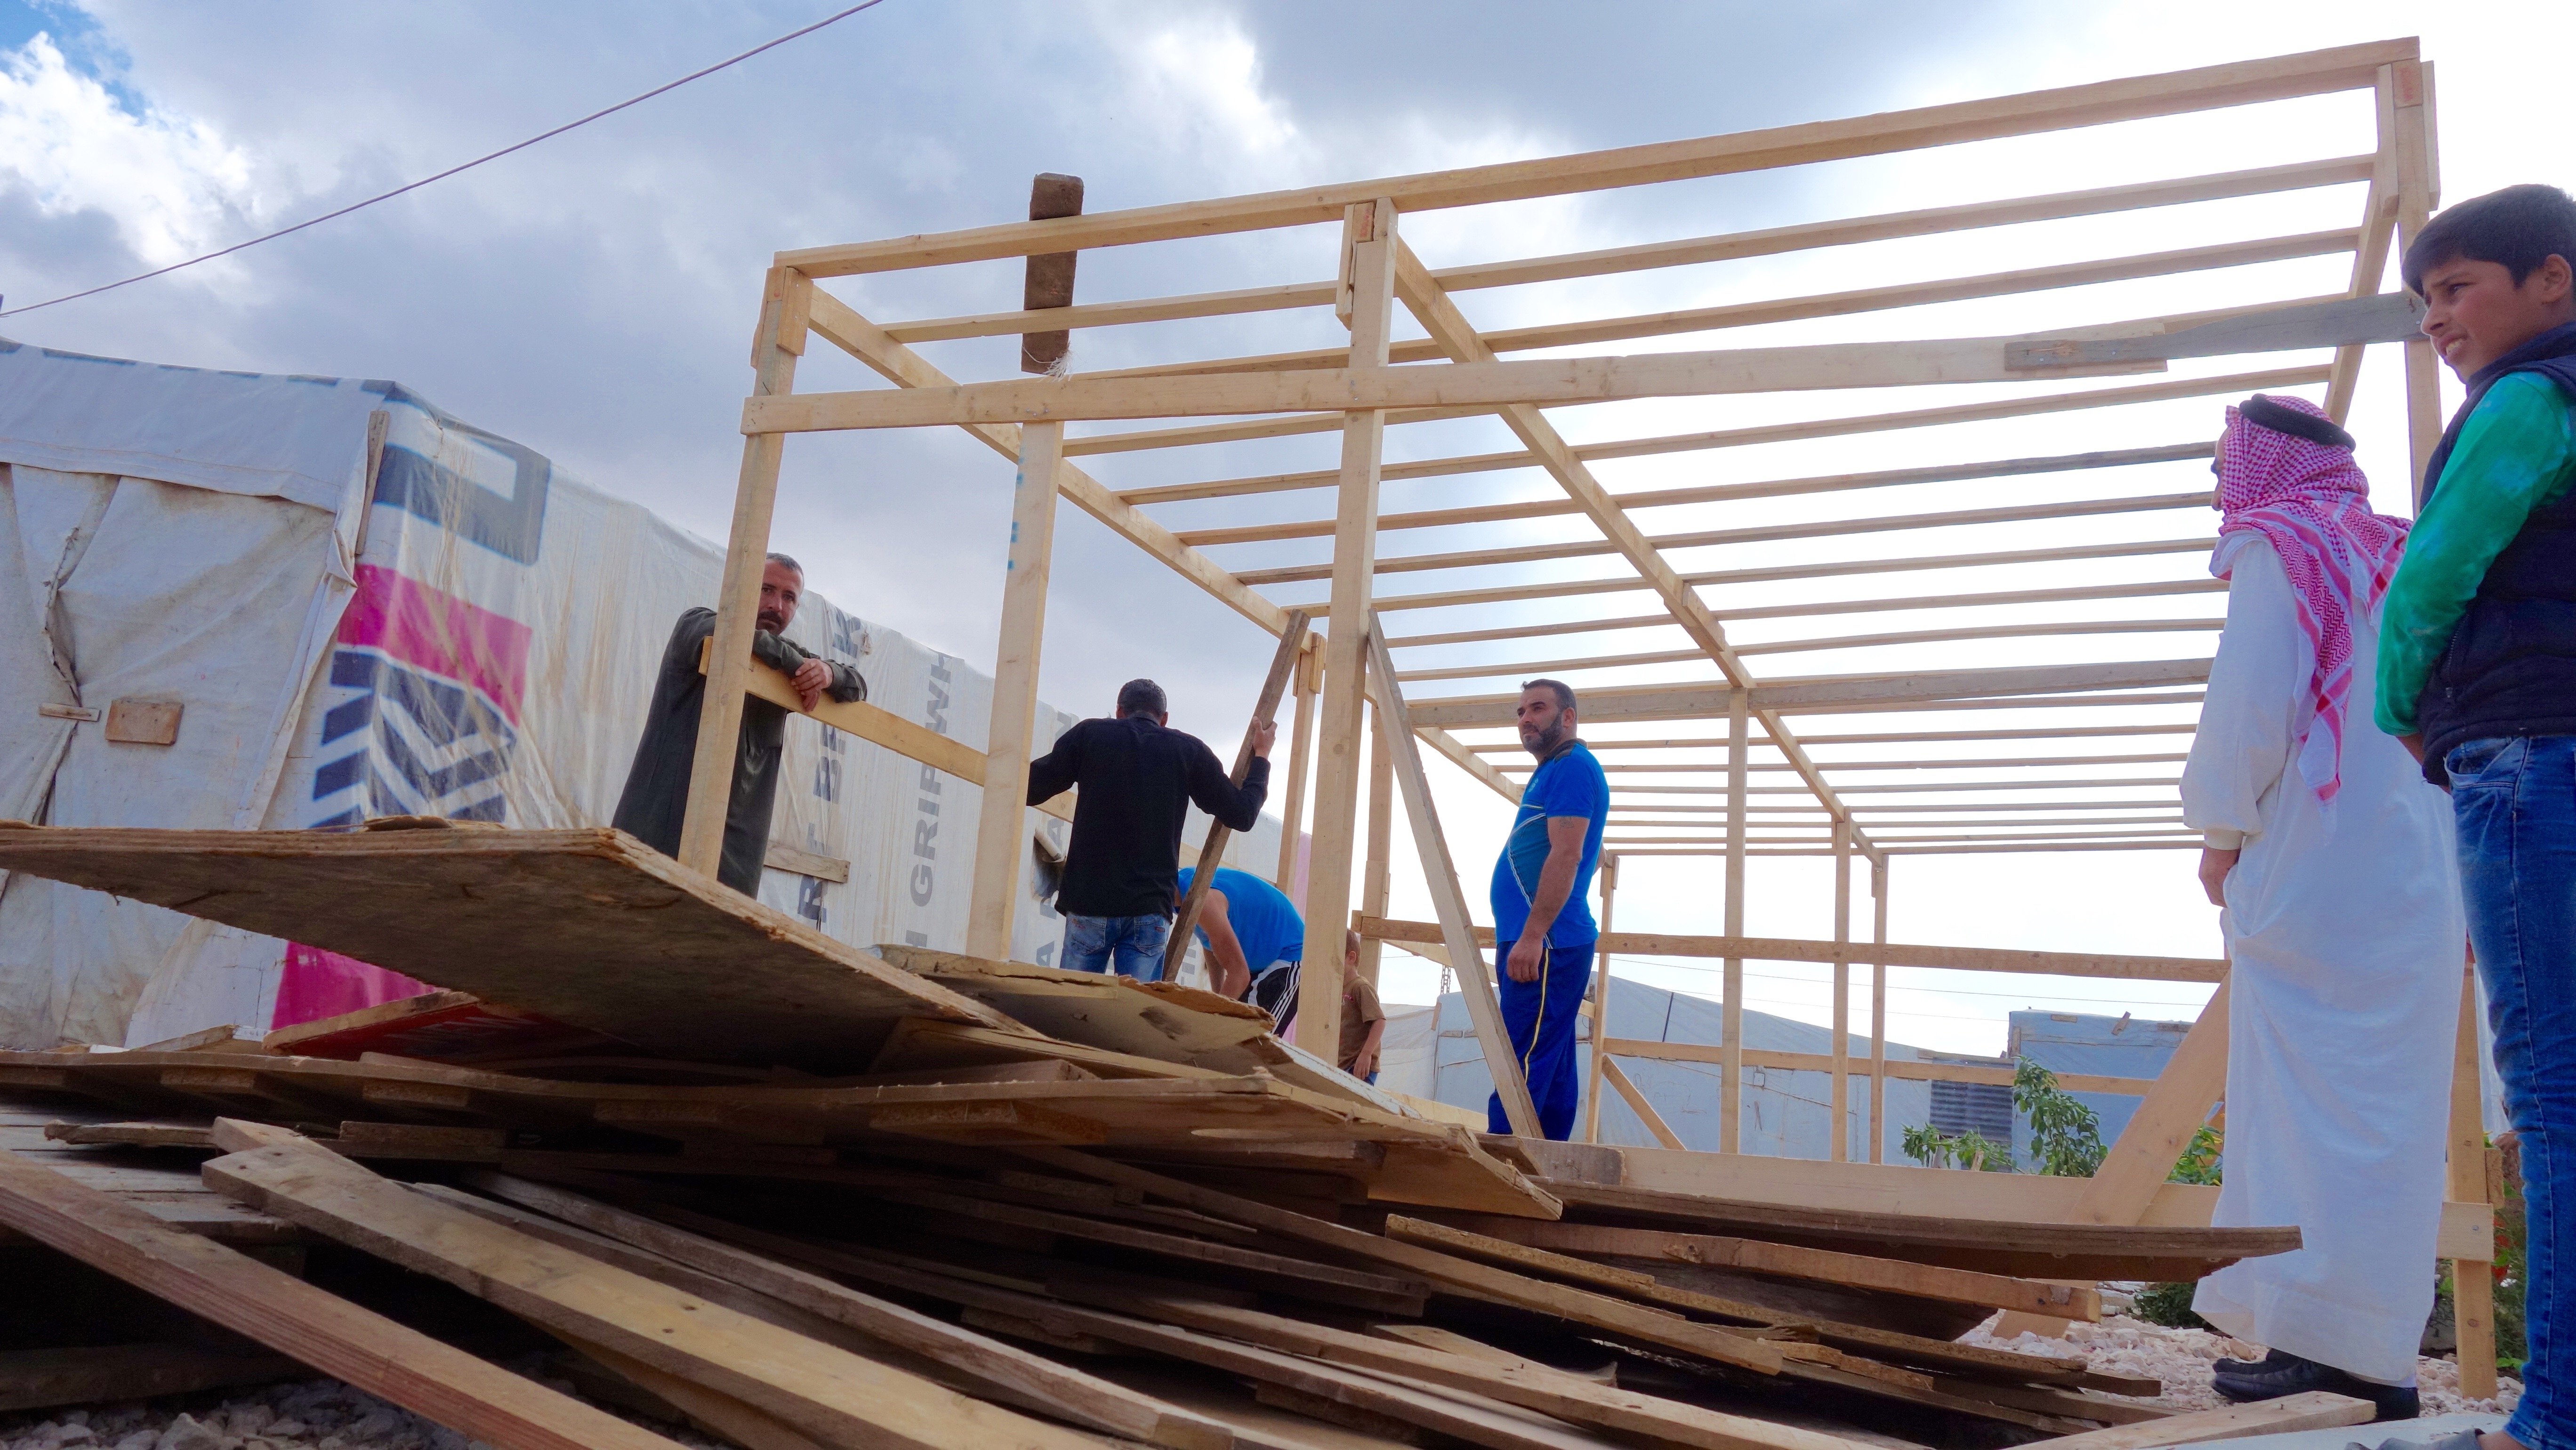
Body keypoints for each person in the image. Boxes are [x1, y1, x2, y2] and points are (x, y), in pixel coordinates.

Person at [2176, 395, 2460, 1422]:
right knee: (2385, 1118)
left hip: (2326, 867)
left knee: (2309, 1109)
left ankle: (2338, 1354)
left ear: (2266, 468)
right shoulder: (2394, 548)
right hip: (2423, 866)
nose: (2217, 487)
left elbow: (2251, 707)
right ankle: (2352, 1354)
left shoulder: (2278, 546)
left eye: (2222, 467)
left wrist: (2220, 834)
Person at [2370, 184, 2576, 1450]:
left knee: (2551, 1090)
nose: (2438, 319)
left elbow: (2433, 568)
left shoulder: (2529, 399)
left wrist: (2404, 704)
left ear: (2551, 279)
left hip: (2523, 751)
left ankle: (2552, 1416)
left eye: (2457, 289)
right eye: (2424, 299)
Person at [612, 553, 864, 896]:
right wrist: (801, 666)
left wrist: (828, 673)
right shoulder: (697, 625)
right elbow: (734, 634)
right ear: (740, 589)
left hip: (733, 869)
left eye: (789, 598)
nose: (777, 605)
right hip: (658, 843)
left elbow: (857, 685)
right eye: (766, 590)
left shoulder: (785, 666)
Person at [1026, 678, 1272, 982]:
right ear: (1164, 719)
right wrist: (1261, 758)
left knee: (1073, 1010)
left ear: (1118, 712)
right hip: (1148, 910)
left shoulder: (1090, 735)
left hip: (1089, 903)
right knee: (1136, 1019)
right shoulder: (1187, 751)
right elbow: (1242, 814)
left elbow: (1027, 787)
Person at [1486, 678, 1608, 1140]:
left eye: (1537, 708)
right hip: (1544, 936)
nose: (1526, 719)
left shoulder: (1573, 767)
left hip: (1548, 941)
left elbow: (1568, 854)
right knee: (1550, 1061)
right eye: (1520, 712)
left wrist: (1535, 933)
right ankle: (1553, 1161)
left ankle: (1504, 1162)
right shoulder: (1552, 770)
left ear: (1568, 717)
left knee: (1523, 1056)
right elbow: (1585, 855)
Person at [1173, 863, 1303, 1033]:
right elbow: (1211, 945)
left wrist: (1210, 1023)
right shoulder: (1184, 890)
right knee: (1232, 1029)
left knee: (1252, 1037)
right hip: (1261, 958)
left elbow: (1240, 975)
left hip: (1290, 956)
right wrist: (1218, 998)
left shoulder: (1202, 898)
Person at [1340, 931, 1386, 1083]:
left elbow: (1379, 1021)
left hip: (1359, 1067)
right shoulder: (1338, 989)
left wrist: (1366, 1054)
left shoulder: (1361, 987)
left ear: (1351, 958)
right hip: (1343, 1065)